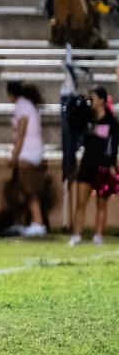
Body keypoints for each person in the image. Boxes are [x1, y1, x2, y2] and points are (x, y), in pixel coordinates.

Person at [70, 85, 118, 246]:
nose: (91, 101)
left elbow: (112, 145)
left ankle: (98, 236)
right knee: (80, 202)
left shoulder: (111, 121)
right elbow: (74, 124)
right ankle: (77, 235)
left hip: (102, 165)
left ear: (102, 100)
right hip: (87, 162)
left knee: (101, 203)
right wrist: (81, 104)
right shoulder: (87, 117)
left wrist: (111, 164)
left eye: (93, 98)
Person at [7, 81, 47, 237]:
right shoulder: (28, 105)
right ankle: (19, 222)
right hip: (32, 150)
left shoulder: (22, 105)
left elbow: (21, 132)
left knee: (29, 189)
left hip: (28, 152)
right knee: (17, 188)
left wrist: (14, 155)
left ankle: (38, 223)